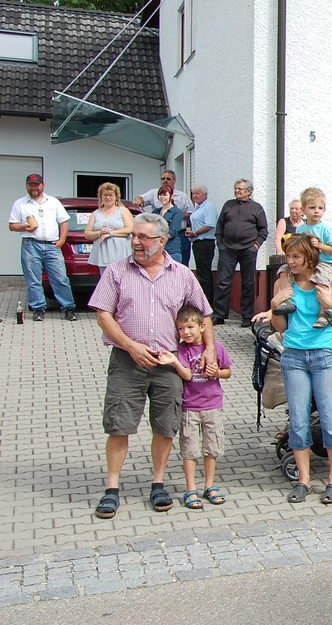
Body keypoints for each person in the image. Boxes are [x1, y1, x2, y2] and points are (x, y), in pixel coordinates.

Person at [87, 213, 216, 519]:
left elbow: (204, 314)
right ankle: (112, 489)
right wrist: (131, 346)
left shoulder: (182, 274)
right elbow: (103, 314)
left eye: (143, 237)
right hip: (126, 361)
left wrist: (210, 348)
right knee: (119, 425)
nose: (135, 242)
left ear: (162, 240)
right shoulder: (117, 271)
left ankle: (158, 483)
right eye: (134, 236)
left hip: (168, 362)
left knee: (165, 426)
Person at [271, 235, 332, 505]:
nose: (291, 262)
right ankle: (303, 479)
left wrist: (329, 303)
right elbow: (281, 327)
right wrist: (275, 305)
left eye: (296, 256)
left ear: (309, 257)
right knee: (298, 418)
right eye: (288, 257)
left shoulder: (329, 281)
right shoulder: (284, 282)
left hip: (324, 354)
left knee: (330, 416)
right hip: (293, 355)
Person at [156, 305, 232, 509]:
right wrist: (174, 362)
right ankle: (191, 488)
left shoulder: (216, 347)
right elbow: (188, 375)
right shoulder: (182, 350)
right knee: (190, 450)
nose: (186, 332)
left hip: (213, 405)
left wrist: (217, 372)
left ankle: (210, 485)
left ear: (202, 327)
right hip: (190, 406)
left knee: (212, 448)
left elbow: (228, 371)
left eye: (190, 327)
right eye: (181, 328)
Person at [7, 173, 77, 321]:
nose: (34, 188)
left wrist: (62, 240)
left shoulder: (53, 202)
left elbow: (64, 222)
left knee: (60, 278)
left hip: (52, 245)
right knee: (33, 279)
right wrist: (24, 227)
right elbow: (12, 225)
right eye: (31, 185)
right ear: (27, 186)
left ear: (43, 185)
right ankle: (38, 309)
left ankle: (68, 308)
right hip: (30, 245)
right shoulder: (20, 203)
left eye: (37, 185)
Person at [270, 188, 332, 329]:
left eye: (320, 208)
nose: (316, 211)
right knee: (283, 269)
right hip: (306, 263)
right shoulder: (300, 229)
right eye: (312, 208)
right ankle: (288, 299)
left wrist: (319, 245)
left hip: (324, 263)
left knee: (322, 281)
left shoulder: (326, 229)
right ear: (303, 210)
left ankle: (323, 313)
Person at [212, 178, 268, 327]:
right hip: (228, 249)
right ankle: (219, 315)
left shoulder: (257, 208)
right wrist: (220, 244)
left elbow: (263, 230)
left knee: (248, 283)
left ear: (249, 192)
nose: (236, 191)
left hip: (248, 249)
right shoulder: (228, 205)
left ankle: (247, 316)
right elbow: (220, 226)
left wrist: (255, 245)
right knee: (223, 282)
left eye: (240, 189)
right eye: (235, 188)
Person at [133, 170, 192, 264]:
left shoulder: (182, 197)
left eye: (168, 179)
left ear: (174, 180)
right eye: (163, 178)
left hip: (178, 235)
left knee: (181, 264)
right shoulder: (154, 197)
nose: (165, 181)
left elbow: (190, 214)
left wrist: (175, 215)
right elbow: (140, 198)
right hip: (157, 237)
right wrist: (138, 200)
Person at [85, 181, 133, 269]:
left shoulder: (123, 211)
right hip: (102, 254)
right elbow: (87, 234)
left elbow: (130, 229)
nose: (108, 198)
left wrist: (110, 233)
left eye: (111, 195)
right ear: (101, 197)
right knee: (104, 276)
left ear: (116, 197)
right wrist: (99, 233)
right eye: (105, 195)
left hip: (121, 252)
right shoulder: (96, 213)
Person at [185, 184, 217, 304]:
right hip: (197, 242)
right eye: (193, 193)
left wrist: (195, 233)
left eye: (198, 193)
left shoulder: (208, 207)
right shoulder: (198, 208)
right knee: (201, 272)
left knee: (204, 273)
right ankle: (204, 300)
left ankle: (208, 301)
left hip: (205, 243)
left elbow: (210, 225)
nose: (195, 196)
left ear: (205, 194)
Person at [155, 186, 186, 262]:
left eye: (165, 195)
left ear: (171, 196)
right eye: (160, 195)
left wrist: (158, 240)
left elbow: (172, 232)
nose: (162, 197)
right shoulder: (155, 212)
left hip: (172, 251)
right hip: (156, 250)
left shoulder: (177, 212)